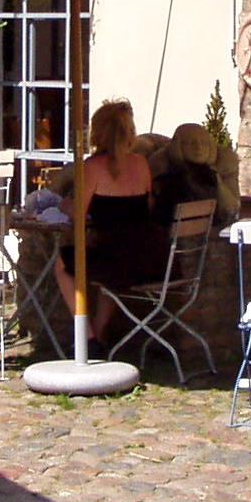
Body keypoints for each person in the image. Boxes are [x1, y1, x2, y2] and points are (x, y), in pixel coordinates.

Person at [53, 98, 168, 359]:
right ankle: (98, 334)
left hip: (118, 259)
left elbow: (79, 214)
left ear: (97, 133)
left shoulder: (92, 167)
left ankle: (87, 336)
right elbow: (147, 203)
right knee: (106, 274)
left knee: (63, 264)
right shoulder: (141, 163)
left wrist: (65, 204)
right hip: (152, 257)